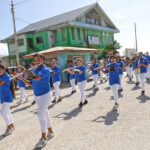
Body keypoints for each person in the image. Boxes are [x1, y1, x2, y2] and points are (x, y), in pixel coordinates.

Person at [18, 53, 54, 148]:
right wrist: (22, 78)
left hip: (46, 95)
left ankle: (43, 138)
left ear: (43, 60)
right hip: (37, 95)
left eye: (39, 60)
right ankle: (51, 132)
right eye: (35, 60)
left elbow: (37, 78)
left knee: (40, 115)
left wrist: (28, 75)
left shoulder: (45, 69)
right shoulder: (34, 69)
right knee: (45, 113)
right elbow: (31, 84)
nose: (37, 61)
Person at [0, 64, 15, 136]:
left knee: (3, 113)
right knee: (7, 112)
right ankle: (12, 126)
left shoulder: (6, 76)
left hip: (7, 97)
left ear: (4, 69)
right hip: (3, 98)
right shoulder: (1, 76)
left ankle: (9, 127)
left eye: (0, 69)